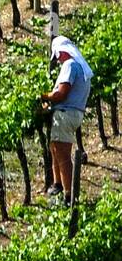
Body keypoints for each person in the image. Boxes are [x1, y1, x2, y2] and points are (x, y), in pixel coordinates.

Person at [39, 36, 92, 200]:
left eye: (57, 56)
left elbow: (61, 94)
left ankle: (70, 195)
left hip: (65, 114)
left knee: (62, 154)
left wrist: (44, 96)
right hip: (73, 114)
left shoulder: (70, 65)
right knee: (55, 148)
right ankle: (58, 184)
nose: (58, 60)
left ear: (62, 52)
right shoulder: (80, 67)